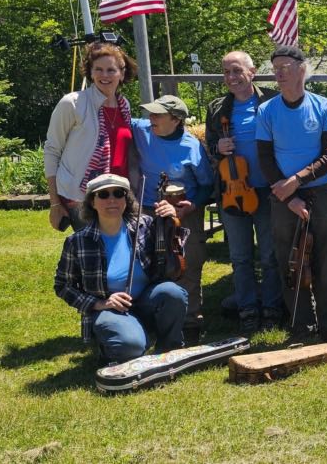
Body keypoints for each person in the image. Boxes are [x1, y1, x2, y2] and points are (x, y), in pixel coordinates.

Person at [256, 45, 327, 341]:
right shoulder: (267, 110)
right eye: (275, 68)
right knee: (290, 263)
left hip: (321, 193)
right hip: (283, 199)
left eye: (285, 66)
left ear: (302, 69)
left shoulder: (323, 106)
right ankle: (301, 327)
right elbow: (265, 158)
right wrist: (288, 196)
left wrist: (296, 181)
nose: (279, 73)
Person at [54, 173, 188, 362]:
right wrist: (100, 303)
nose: (112, 200)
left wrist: (171, 221)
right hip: (110, 309)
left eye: (118, 194)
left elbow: (173, 257)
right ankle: (116, 343)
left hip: (145, 299)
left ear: (126, 200)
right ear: (92, 202)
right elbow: (63, 286)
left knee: (173, 293)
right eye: (103, 195)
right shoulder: (78, 241)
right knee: (131, 347)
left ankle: (170, 349)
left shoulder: (144, 225)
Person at [205, 51, 281, 334]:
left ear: (252, 71)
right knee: (240, 256)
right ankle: (247, 308)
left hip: (267, 188)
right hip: (232, 191)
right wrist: (217, 149)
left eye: (236, 71)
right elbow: (210, 147)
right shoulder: (216, 108)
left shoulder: (271, 100)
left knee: (270, 255)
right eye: (226, 72)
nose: (231, 78)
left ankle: (272, 306)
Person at [132, 94, 213, 343]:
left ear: (176, 120)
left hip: (183, 213)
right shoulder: (140, 129)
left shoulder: (192, 146)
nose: (151, 118)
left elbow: (208, 185)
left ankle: (190, 322)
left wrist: (192, 206)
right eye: (151, 114)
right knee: (145, 266)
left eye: (158, 115)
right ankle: (149, 320)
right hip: (147, 210)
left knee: (187, 264)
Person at [44, 42, 138, 231]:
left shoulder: (124, 105)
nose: (104, 75)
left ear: (122, 73)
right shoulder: (73, 103)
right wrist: (55, 203)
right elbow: (52, 151)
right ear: (90, 72)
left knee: (119, 252)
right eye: (98, 69)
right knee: (93, 253)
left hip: (118, 194)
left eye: (111, 70)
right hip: (81, 196)